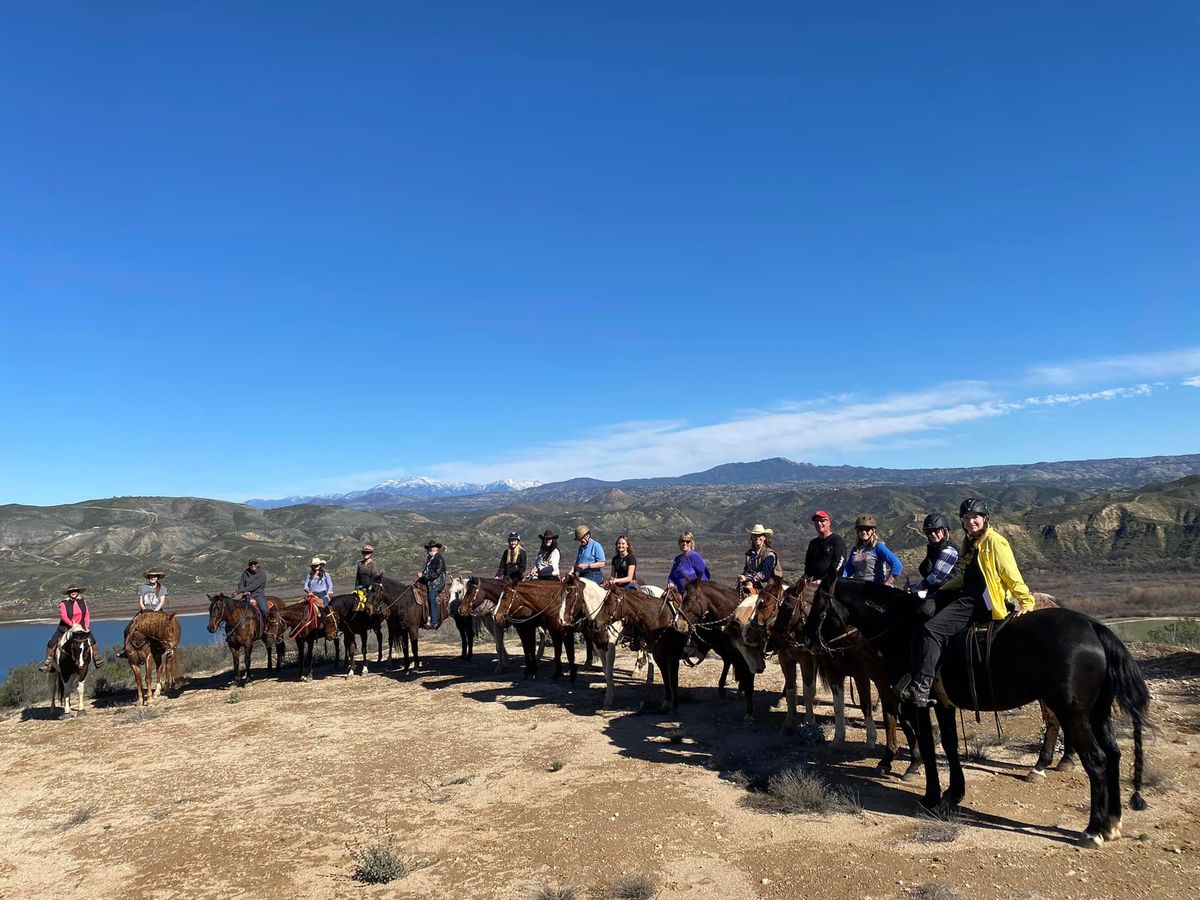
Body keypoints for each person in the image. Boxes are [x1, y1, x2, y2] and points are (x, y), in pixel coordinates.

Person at [900, 498, 1036, 707]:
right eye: (966, 518)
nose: (971, 521)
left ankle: (922, 686)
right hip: (969, 595)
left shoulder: (994, 541)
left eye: (975, 517)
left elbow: (1010, 573)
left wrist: (1026, 601)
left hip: (980, 600)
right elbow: (965, 576)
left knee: (931, 629)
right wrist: (942, 589)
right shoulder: (972, 542)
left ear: (985, 519)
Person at [39, 585, 104, 671]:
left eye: (76, 591)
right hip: (66, 627)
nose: (74, 592)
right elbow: (64, 616)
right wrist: (71, 625)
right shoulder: (64, 603)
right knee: (52, 642)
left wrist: (86, 626)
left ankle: (96, 658)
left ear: (78, 592)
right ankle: (48, 662)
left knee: (93, 640)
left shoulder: (82, 601)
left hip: (81, 627)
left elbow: (86, 614)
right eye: (72, 591)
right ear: (69, 593)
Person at [119, 569, 169, 655]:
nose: (153, 578)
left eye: (155, 576)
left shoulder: (162, 588)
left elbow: (162, 602)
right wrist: (144, 609)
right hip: (145, 611)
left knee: (164, 628)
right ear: (148, 577)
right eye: (151, 576)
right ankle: (126, 650)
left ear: (157, 578)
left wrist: (155, 610)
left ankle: (167, 647)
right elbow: (141, 601)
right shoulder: (143, 588)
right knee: (127, 629)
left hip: (157, 612)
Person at [843, 515, 902, 584]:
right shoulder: (855, 549)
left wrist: (886, 584)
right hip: (858, 587)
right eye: (860, 529)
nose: (863, 532)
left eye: (867, 529)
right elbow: (849, 569)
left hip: (874, 587)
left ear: (873, 530)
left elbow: (897, 565)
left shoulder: (878, 546)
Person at [910, 514, 959, 593]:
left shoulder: (949, 550)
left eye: (936, 530)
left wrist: (915, 587)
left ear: (944, 530)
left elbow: (936, 577)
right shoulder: (935, 547)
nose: (932, 534)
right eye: (929, 531)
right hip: (937, 591)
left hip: (949, 593)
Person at [804, 510, 847, 585]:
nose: (819, 523)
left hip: (832, 583)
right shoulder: (813, 543)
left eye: (822, 521)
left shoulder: (837, 541)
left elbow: (839, 563)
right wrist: (806, 576)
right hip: (814, 582)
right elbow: (808, 564)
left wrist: (823, 580)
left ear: (829, 522)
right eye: (816, 521)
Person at [738, 524, 782, 593]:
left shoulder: (770, 554)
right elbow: (747, 570)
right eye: (755, 535)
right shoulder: (750, 554)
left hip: (767, 585)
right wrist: (742, 576)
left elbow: (764, 574)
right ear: (752, 537)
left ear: (764, 538)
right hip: (752, 582)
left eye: (759, 535)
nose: (757, 537)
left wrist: (747, 578)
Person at [419, 540, 447, 628]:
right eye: (430, 548)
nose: (431, 549)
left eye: (433, 547)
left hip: (436, 583)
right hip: (428, 581)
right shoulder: (429, 559)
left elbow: (436, 573)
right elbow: (427, 570)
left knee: (431, 598)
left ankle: (434, 621)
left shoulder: (439, 559)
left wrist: (424, 575)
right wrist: (422, 574)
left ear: (437, 549)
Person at [236, 558, 269, 623]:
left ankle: (267, 624)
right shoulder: (245, 573)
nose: (253, 565)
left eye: (254, 563)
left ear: (258, 564)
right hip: (246, 595)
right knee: (236, 609)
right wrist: (244, 591)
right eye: (251, 564)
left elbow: (254, 585)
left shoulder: (262, 574)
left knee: (264, 610)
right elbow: (241, 583)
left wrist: (239, 591)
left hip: (258, 595)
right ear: (249, 565)